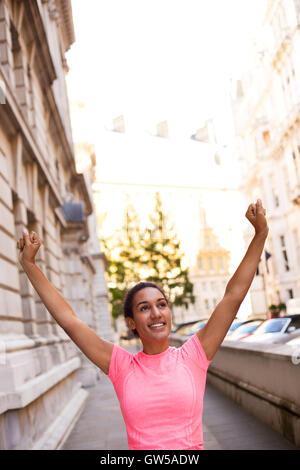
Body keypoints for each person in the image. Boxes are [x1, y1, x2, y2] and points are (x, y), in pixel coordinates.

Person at [16, 199, 268, 450]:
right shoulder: (121, 366)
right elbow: (69, 320)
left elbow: (233, 296)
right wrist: (30, 265)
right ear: (131, 323)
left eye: (161, 304)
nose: (156, 313)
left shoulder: (194, 355)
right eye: (144, 308)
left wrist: (260, 235)